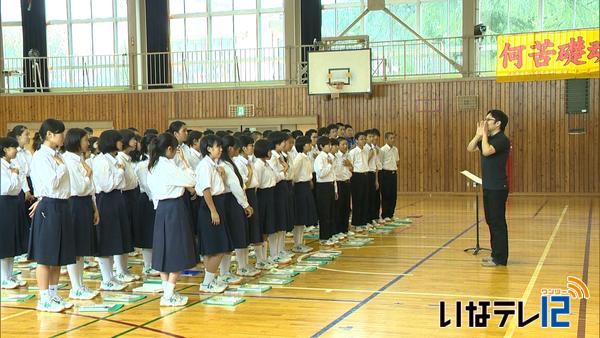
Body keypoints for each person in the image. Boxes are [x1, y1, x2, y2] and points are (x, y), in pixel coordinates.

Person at [29, 119, 75, 312]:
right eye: (60, 133)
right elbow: (50, 185)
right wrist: (61, 167)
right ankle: (44, 297)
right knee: (46, 256)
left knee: (58, 255)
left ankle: (54, 294)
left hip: (62, 205)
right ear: (49, 134)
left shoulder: (57, 155)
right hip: (50, 206)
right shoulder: (41, 157)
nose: (63, 137)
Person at [147, 133, 197, 306]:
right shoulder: (168, 165)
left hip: (161, 208)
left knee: (163, 251)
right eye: (176, 150)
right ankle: (168, 295)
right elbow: (191, 180)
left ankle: (167, 294)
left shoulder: (153, 165)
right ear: (170, 149)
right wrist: (184, 162)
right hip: (174, 208)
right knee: (177, 250)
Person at [467, 109, 510, 267]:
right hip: (489, 186)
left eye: (488, 120)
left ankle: (500, 259)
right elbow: (470, 147)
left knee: (498, 223)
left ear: (498, 123)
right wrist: (478, 135)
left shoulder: (502, 139)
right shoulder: (488, 138)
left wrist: (484, 135)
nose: (485, 122)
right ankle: (495, 254)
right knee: (491, 221)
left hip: (498, 187)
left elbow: (486, 151)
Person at [62, 128, 100, 300]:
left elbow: (90, 189)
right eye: (86, 140)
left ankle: (80, 285)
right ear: (77, 141)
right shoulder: (69, 161)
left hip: (85, 203)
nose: (88, 143)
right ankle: (75, 287)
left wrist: (95, 207)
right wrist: (88, 175)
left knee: (82, 249)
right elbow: (78, 188)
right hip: (74, 204)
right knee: (75, 248)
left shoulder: (81, 159)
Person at [91, 130, 130, 291]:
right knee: (106, 241)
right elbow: (107, 185)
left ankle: (112, 277)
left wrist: (119, 173)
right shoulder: (101, 160)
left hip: (117, 198)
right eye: (119, 140)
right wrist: (120, 171)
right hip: (106, 200)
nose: (122, 143)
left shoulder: (113, 159)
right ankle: (106, 279)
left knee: (115, 239)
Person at [196, 135, 230, 293]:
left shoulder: (214, 164)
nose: (221, 149)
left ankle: (208, 281)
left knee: (213, 247)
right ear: (209, 148)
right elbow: (206, 190)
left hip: (219, 203)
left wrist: (222, 175)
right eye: (218, 146)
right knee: (219, 247)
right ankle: (207, 283)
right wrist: (213, 211)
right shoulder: (204, 165)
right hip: (211, 205)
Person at [0, 137, 28, 290]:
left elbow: (16, 189)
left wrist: (15, 174)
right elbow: (6, 188)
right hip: (3, 203)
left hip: (12, 202)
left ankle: (9, 276)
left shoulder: (11, 165)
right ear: (5, 149)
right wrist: (15, 174)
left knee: (12, 241)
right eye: (13, 147)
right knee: (5, 242)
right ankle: (3, 278)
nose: (16, 150)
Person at [134, 134, 160, 277]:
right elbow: (146, 185)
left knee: (155, 233)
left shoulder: (158, 162)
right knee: (147, 234)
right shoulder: (143, 165)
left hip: (157, 199)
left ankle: (155, 263)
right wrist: (156, 200)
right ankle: (147, 265)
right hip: (148, 200)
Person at [290, 136, 317, 253]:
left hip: (305, 186)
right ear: (303, 145)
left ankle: (300, 242)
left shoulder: (306, 157)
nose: (310, 145)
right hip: (299, 188)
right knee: (299, 217)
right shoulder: (299, 158)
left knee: (304, 217)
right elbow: (294, 174)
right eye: (308, 144)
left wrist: (309, 180)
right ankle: (297, 244)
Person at [314, 136, 337, 246]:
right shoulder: (320, 158)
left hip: (330, 185)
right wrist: (329, 165)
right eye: (328, 145)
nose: (330, 146)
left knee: (331, 211)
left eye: (330, 144)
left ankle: (330, 235)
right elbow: (321, 174)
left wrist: (335, 189)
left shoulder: (329, 157)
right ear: (321, 146)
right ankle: (324, 237)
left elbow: (333, 175)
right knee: (325, 213)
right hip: (323, 187)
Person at [348, 132, 370, 232]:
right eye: (361, 139)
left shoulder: (366, 150)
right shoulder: (353, 152)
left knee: (365, 199)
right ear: (356, 140)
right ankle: (356, 223)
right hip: (356, 176)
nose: (364, 140)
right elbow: (350, 166)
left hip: (365, 175)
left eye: (365, 139)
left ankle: (363, 222)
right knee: (357, 200)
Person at [334, 137, 353, 237]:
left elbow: (352, 169)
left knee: (346, 207)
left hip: (347, 182)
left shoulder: (348, 155)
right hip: (339, 182)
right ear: (338, 146)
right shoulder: (336, 156)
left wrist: (349, 164)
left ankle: (345, 229)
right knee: (339, 207)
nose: (345, 146)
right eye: (343, 144)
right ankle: (339, 230)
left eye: (346, 144)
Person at [379, 132, 399, 221]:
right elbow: (380, 163)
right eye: (391, 138)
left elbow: (397, 161)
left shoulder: (395, 149)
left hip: (393, 173)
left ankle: (391, 214)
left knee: (393, 195)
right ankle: (385, 215)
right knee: (386, 194)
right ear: (386, 139)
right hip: (385, 173)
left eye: (394, 138)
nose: (393, 140)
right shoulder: (382, 150)